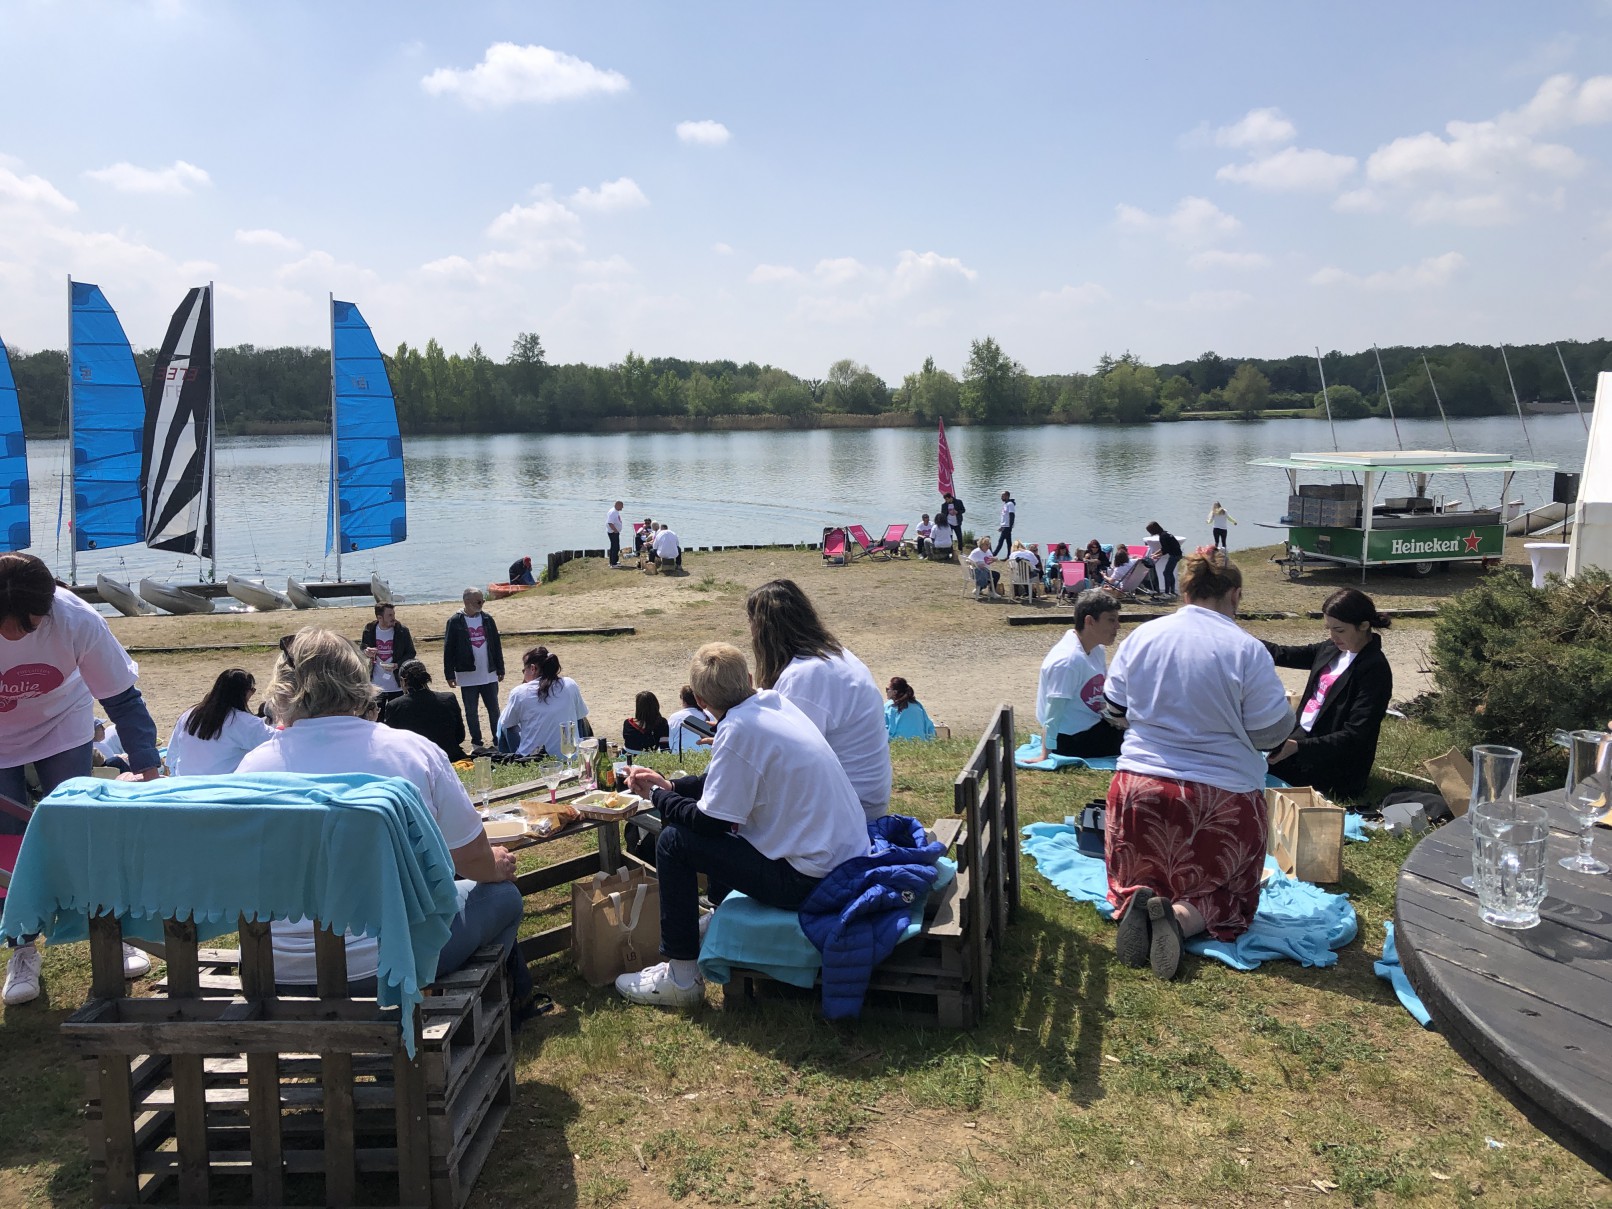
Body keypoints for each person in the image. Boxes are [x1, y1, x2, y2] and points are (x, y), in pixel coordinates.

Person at [236, 628, 538, 1013]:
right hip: (384, 965)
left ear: (284, 686)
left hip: (276, 970)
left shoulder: (252, 767)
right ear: (358, 680)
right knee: (501, 896)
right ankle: (506, 1011)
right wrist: (494, 865)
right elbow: (471, 859)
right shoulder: (410, 752)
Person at [618, 643, 869, 1007]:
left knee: (673, 841)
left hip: (810, 881)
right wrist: (671, 787)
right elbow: (723, 781)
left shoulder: (737, 731)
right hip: (846, 857)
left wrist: (657, 799)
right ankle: (712, 926)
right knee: (721, 827)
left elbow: (709, 822)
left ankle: (682, 977)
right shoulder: (774, 702)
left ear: (701, 701)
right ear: (748, 678)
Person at [1102, 551, 1293, 981]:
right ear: (1236, 595)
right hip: (1220, 800)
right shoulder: (1247, 649)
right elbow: (1269, 735)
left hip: (1139, 791)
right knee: (1234, 892)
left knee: (1141, 868)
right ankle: (1182, 918)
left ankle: (1139, 898)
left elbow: (1113, 709)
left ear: (1182, 591)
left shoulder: (1142, 637)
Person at [0, 552, 163, 1004]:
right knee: (7, 839)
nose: (13, 634)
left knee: (79, 827)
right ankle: (22, 948)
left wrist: (150, 771)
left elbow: (124, 702)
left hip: (61, 724)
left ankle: (111, 934)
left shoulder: (76, 619)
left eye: (26, 625)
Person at [747, 579, 891, 821]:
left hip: (847, 811)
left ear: (765, 630)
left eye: (751, 623)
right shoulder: (836, 656)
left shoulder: (803, 677)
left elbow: (783, 761)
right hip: (866, 797)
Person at [1262, 588, 1393, 800]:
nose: (1333, 637)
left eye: (1339, 630)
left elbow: (1356, 736)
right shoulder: (1332, 649)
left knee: (1254, 772)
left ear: (1364, 626)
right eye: (1329, 629)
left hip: (1334, 762)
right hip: (1301, 739)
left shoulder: (1374, 669)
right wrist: (1240, 640)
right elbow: (1282, 653)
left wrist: (1299, 747)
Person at [1036, 590, 1125, 759]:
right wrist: (1045, 753)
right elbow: (1052, 713)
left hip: (1093, 724)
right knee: (1142, 741)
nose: (1118, 626)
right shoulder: (1067, 661)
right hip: (1070, 739)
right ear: (1090, 621)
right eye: (1111, 620)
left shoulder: (1096, 648)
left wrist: (1117, 718)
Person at [166, 668, 275, 776]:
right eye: (252, 690)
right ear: (243, 693)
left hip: (184, 780)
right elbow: (277, 743)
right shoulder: (245, 722)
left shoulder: (189, 714)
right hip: (221, 785)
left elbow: (172, 756)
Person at [496, 646, 589, 759]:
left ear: (533, 668)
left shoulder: (520, 692)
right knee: (579, 717)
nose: (524, 674)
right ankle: (578, 751)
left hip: (533, 759)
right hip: (568, 755)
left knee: (502, 723)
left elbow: (508, 724)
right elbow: (579, 719)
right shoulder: (570, 684)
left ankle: (517, 759)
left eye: (524, 670)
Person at [443, 588, 504, 752]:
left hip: (489, 673)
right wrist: (449, 674)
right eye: (479, 601)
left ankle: (498, 740)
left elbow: (496, 645)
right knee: (471, 711)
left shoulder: (487, 619)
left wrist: (500, 668)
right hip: (467, 673)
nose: (482, 604)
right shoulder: (455, 621)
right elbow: (448, 649)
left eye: (483, 600)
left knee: (494, 709)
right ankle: (477, 742)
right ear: (467, 602)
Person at [381, 659, 468, 761]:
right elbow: (460, 736)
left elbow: (393, 742)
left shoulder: (394, 705)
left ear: (403, 681)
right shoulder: (449, 698)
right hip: (448, 756)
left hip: (415, 759)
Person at [360, 603, 415, 703]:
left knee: (396, 717)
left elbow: (411, 653)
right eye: (390, 615)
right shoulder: (369, 629)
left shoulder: (402, 631)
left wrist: (397, 665)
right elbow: (362, 648)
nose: (393, 618)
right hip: (376, 685)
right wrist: (366, 652)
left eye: (393, 614)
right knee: (376, 716)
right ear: (379, 617)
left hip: (398, 684)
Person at [884, 676, 937, 741]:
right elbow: (929, 728)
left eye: (887, 689)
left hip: (898, 745)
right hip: (920, 745)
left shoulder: (890, 707)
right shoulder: (917, 705)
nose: (886, 692)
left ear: (895, 692)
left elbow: (884, 729)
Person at [666, 685, 714, 755]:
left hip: (681, 759)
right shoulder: (709, 715)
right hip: (706, 758)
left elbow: (669, 744)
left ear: (683, 699)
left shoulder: (675, 717)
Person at [1145, 521, 1184, 596]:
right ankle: (1172, 591)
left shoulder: (1162, 537)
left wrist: (1156, 556)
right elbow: (1164, 548)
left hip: (1174, 556)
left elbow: (1165, 550)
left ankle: (1167, 593)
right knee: (1170, 572)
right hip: (1177, 554)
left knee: (1166, 573)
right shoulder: (1165, 533)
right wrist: (1155, 554)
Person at [994, 490, 1016, 557]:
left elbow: (1012, 515)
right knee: (1009, 542)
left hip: (1007, 526)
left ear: (1007, 496)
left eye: (1002, 496)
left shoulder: (1010, 504)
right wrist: (1002, 526)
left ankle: (993, 554)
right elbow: (1004, 517)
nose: (1001, 497)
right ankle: (1009, 556)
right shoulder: (1006, 504)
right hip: (1005, 526)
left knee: (1000, 541)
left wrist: (1010, 526)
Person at [606, 500, 624, 567]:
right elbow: (610, 523)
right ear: (618, 505)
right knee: (615, 547)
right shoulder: (613, 512)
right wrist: (615, 530)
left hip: (615, 532)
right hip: (613, 532)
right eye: (621, 506)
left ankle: (614, 561)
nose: (622, 508)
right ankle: (613, 563)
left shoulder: (615, 511)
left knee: (616, 547)